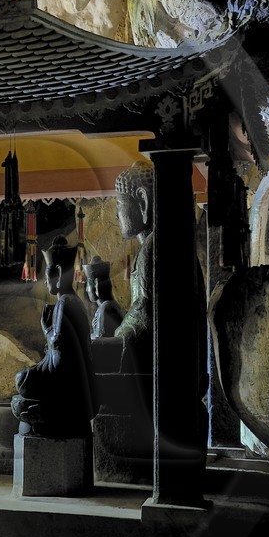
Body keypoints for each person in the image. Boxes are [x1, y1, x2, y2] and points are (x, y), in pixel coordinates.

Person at [11, 237, 95, 438]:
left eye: (47, 274)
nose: (45, 281)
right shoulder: (67, 302)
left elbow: (58, 351)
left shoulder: (67, 302)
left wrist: (45, 328)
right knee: (23, 381)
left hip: (66, 381)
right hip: (65, 377)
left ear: (57, 272)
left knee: (22, 380)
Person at [112, 158, 154, 375]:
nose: (116, 215)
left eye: (119, 204)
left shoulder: (153, 248)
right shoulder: (149, 246)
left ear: (142, 200)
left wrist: (117, 335)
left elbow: (145, 314)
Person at [86, 255, 123, 340]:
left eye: (87, 284)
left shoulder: (106, 308)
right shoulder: (110, 305)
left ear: (96, 284)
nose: (86, 289)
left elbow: (100, 344)